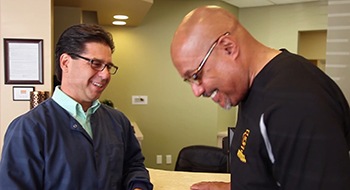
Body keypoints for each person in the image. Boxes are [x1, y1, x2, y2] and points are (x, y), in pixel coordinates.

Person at [170, 5, 350, 190]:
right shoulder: (252, 88)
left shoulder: (295, 103)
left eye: (196, 76)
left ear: (228, 48)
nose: (196, 91)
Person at [0, 24, 153, 190]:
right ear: (65, 63)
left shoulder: (118, 121)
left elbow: (134, 165)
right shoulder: (28, 129)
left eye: (108, 66)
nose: (105, 75)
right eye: (95, 63)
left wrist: (138, 186)